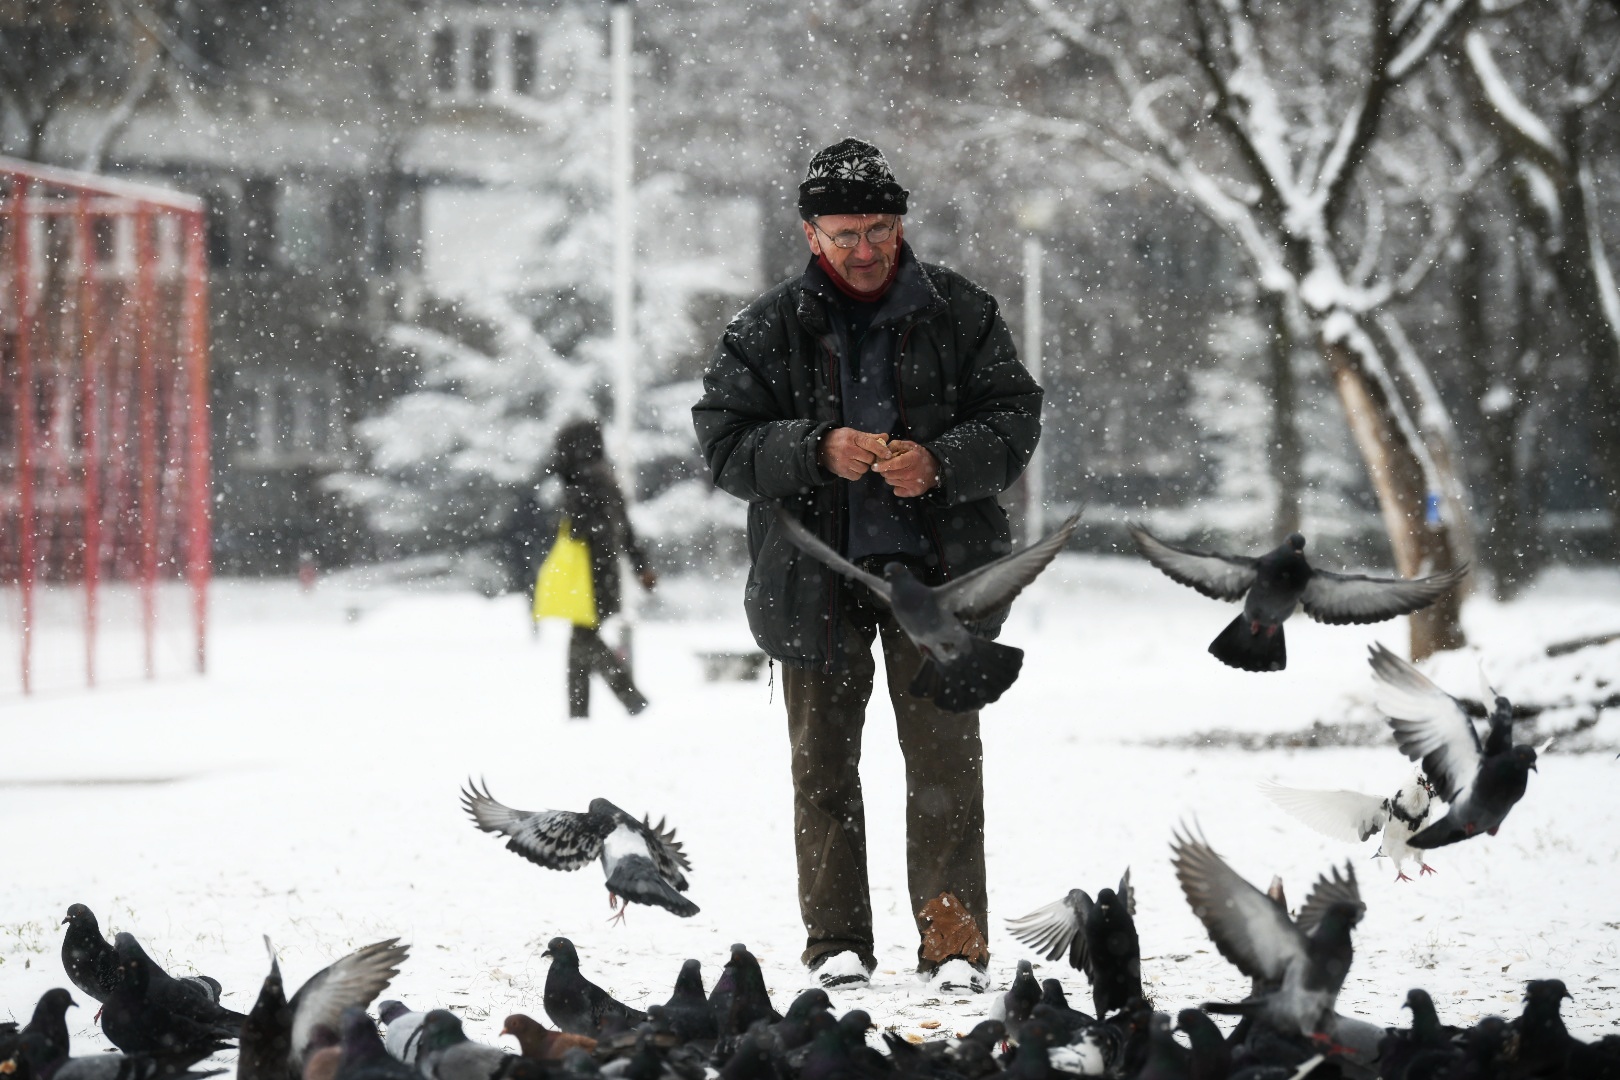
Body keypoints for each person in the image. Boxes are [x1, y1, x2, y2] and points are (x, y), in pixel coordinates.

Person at [691, 138, 1042, 992]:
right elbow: (724, 445)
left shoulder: (963, 312)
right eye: (844, 232)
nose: (863, 248)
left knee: (948, 768)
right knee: (821, 772)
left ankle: (953, 942)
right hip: (813, 582)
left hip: (936, 583)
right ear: (811, 234)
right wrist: (815, 449)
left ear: (899, 225)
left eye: (878, 228)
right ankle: (837, 943)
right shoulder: (763, 328)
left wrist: (945, 462)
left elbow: (1014, 416)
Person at [546, 418, 656, 718]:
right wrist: (640, 566)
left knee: (584, 639)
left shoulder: (586, 480)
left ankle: (629, 698)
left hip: (589, 575)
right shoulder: (602, 477)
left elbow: (586, 529)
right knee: (580, 640)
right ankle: (580, 713)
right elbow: (625, 529)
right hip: (601, 573)